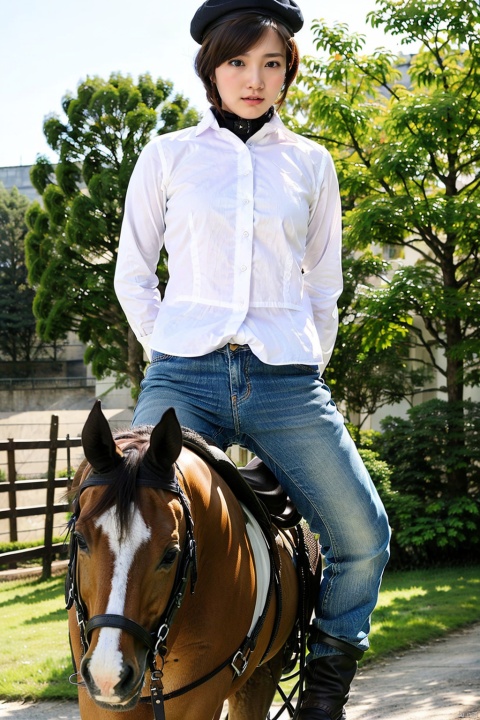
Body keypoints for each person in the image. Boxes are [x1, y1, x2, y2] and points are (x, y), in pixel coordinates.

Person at [114, 1, 390, 717]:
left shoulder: (311, 163)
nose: (254, 78)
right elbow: (133, 275)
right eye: (238, 61)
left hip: (285, 383)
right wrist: (171, 339)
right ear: (211, 67)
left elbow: (323, 283)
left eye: (272, 63)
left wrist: (306, 363)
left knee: (363, 534)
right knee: (125, 523)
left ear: (288, 70)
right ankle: (125, 681)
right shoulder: (168, 155)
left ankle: (325, 685)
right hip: (183, 377)